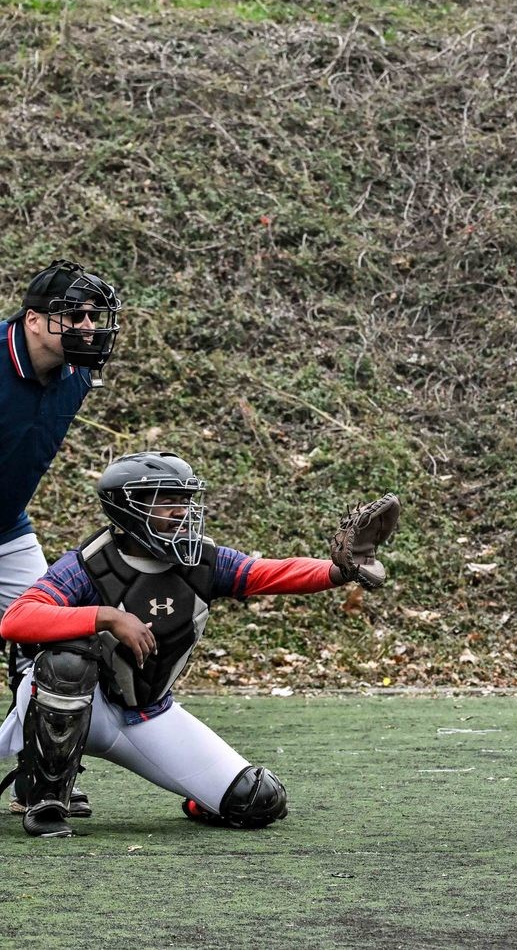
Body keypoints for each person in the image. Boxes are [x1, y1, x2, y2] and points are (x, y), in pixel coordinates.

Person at [0, 450, 400, 838]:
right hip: (82, 705)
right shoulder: (90, 563)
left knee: (257, 800)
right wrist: (108, 616)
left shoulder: (203, 560)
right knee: (66, 662)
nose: (182, 511)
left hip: (147, 713)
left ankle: (201, 799)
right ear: (127, 507)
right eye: (167, 500)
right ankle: (44, 796)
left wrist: (337, 571)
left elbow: (266, 573)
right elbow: (17, 619)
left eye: (186, 500)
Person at [2, 259, 122, 819]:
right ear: (32, 321)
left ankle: (42, 776)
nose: (89, 326)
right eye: (74, 315)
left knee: (61, 651)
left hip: (7, 532)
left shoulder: (75, 375)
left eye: (94, 315)